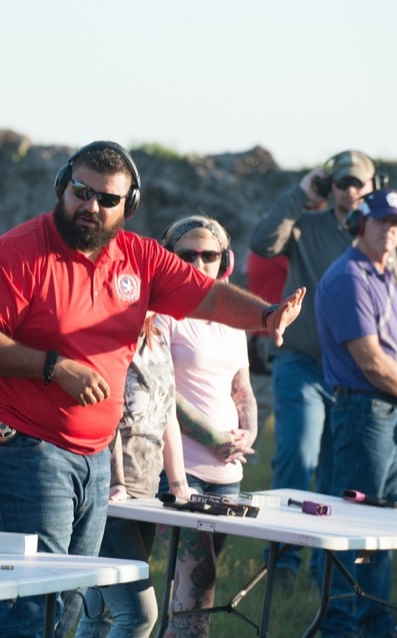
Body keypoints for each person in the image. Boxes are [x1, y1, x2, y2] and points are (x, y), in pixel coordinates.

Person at [0, 140, 305, 637]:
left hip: (93, 459)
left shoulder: (138, 257)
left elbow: (207, 295)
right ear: (63, 186)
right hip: (22, 451)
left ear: (128, 205)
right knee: (33, 614)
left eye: (107, 199)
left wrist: (265, 317)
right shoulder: (15, 253)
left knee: (70, 606)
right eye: (81, 191)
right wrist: (55, 367)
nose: (91, 206)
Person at [248, 150, 397, 589]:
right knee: (297, 459)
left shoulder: (381, 233)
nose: (348, 191)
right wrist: (300, 194)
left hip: (352, 380)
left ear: (372, 186)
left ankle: (322, 567)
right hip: (302, 363)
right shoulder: (307, 223)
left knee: (334, 476)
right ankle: (283, 563)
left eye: (357, 184)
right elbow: (262, 243)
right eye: (340, 183)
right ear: (330, 186)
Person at [314, 188, 397, 638]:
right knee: (353, 527)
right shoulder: (349, 276)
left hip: (391, 412)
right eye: (383, 221)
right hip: (365, 412)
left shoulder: (384, 276)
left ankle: (375, 624)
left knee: (382, 528)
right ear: (360, 224)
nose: (392, 230)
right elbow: (370, 359)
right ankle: (340, 626)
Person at [155, 215, 258, 637]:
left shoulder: (233, 320)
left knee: (195, 581)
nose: (199, 264)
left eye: (209, 255)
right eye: (188, 255)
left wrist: (247, 432)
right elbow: (159, 390)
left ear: (225, 261)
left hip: (226, 472)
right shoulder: (161, 314)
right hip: (180, 468)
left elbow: (243, 390)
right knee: (201, 576)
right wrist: (213, 438)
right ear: (169, 259)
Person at [73, 312, 195, 638]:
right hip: (111, 499)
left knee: (100, 616)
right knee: (138, 615)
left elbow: (167, 412)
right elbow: (105, 413)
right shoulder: (109, 336)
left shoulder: (159, 334)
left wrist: (178, 481)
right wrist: (116, 482)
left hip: (146, 495)